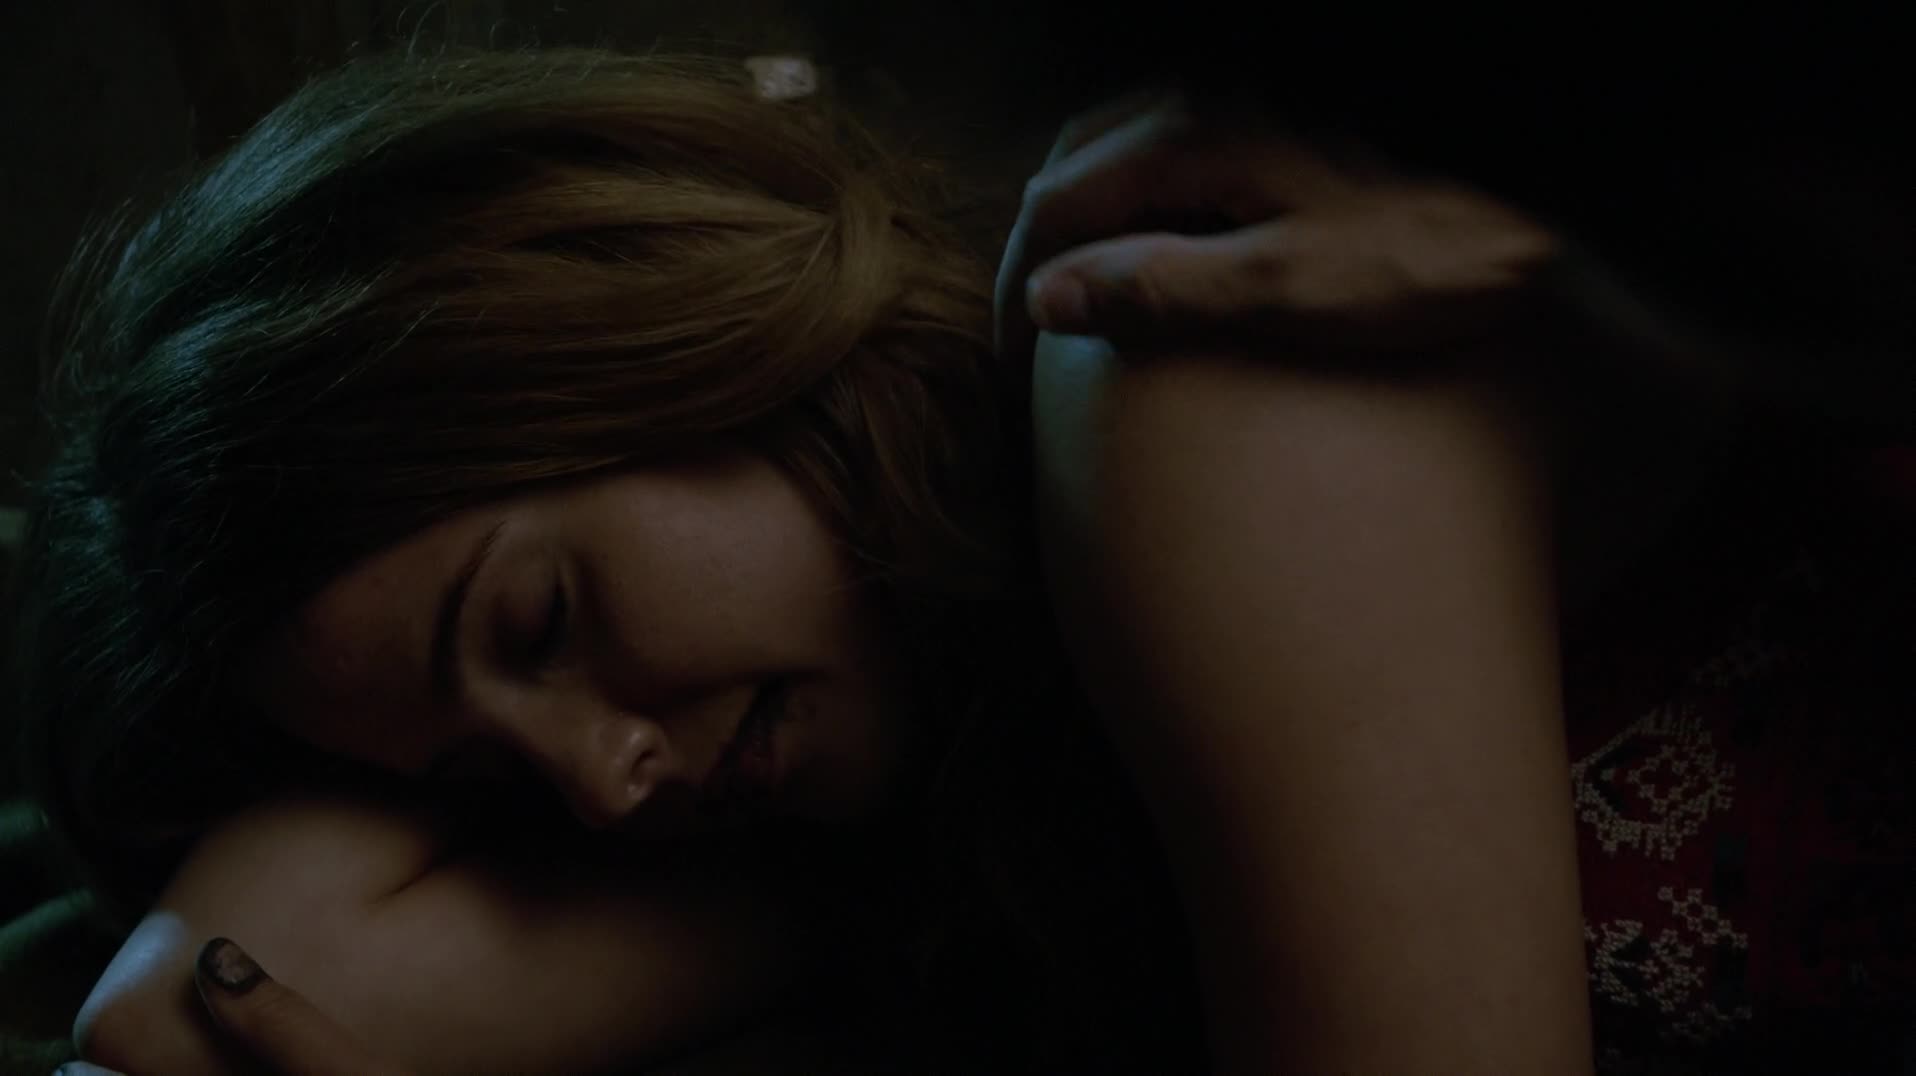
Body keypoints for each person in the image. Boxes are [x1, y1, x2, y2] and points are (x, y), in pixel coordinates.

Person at [11, 36, 1914, 1076]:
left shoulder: (1181, 360)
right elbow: (217, 1019)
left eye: (543, 617)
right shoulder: (924, 811)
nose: (603, 788)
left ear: (663, 340)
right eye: (480, 789)